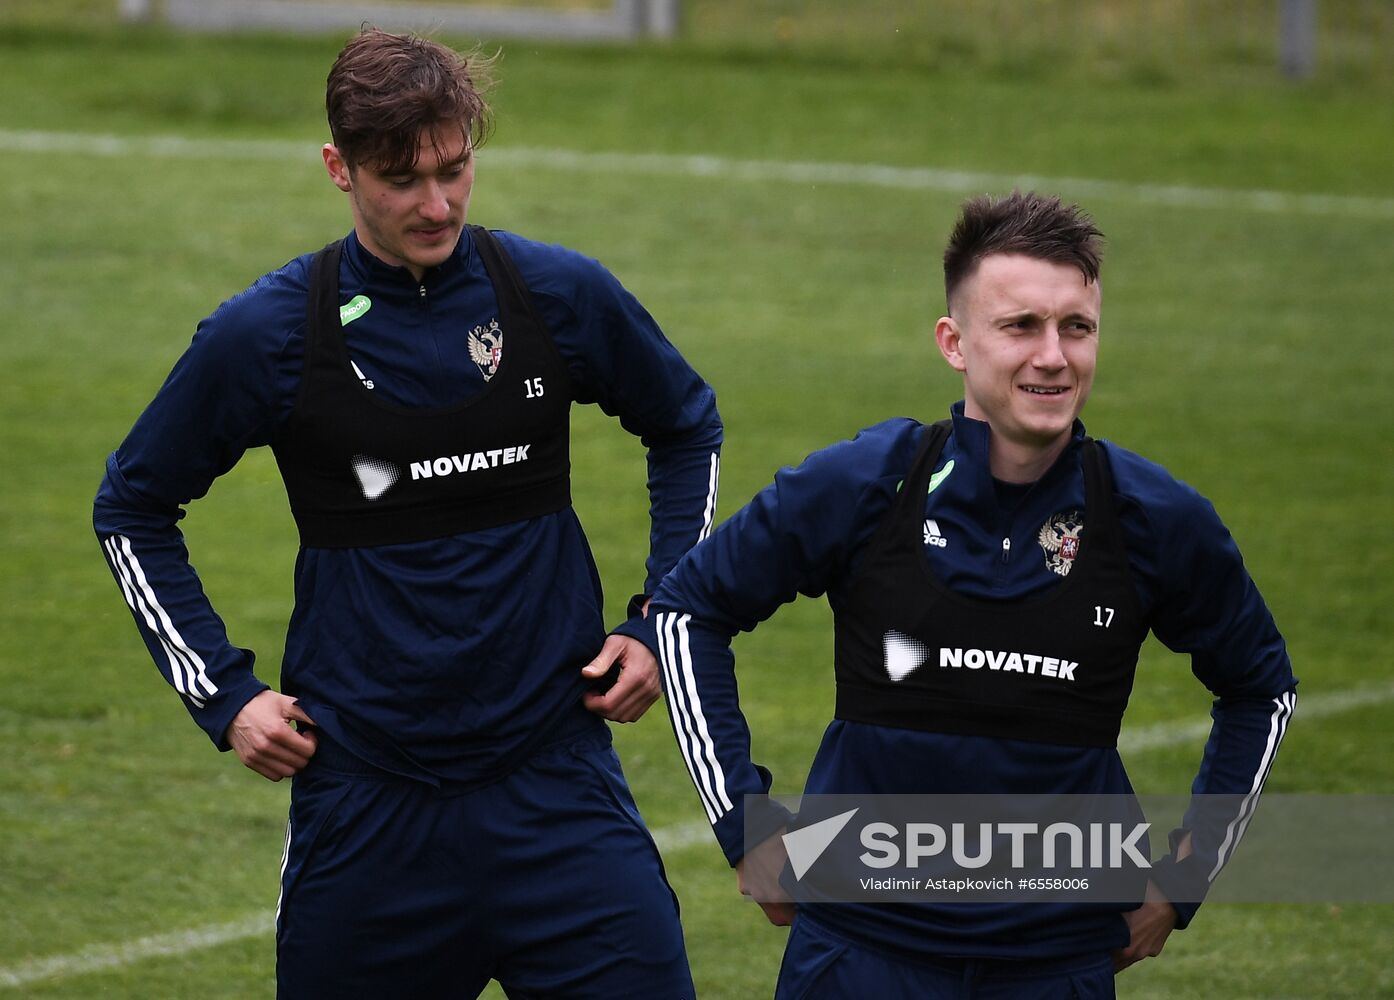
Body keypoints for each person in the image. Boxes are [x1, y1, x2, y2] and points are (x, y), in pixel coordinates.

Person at [94, 27, 716, 998]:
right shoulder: (269, 333)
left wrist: (660, 619)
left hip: (554, 785)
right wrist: (222, 693)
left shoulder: (552, 296)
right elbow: (132, 504)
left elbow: (686, 425)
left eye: (454, 169)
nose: (437, 204)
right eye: (401, 178)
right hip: (368, 807)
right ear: (338, 169)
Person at [644, 192, 1296, 997]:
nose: (1053, 356)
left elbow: (1259, 688)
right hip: (858, 953)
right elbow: (687, 611)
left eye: (1076, 328)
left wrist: (1184, 878)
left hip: (1055, 962)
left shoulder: (1155, 518)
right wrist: (745, 827)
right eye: (1021, 326)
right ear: (954, 342)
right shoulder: (869, 483)